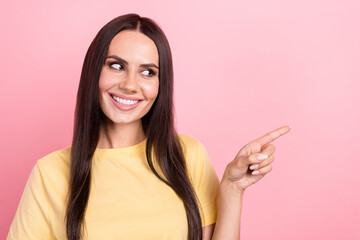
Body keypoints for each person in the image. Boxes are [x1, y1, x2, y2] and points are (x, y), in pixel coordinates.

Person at [7, 13, 291, 240]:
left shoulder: (187, 155)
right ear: (94, 71)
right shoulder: (50, 173)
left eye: (147, 72)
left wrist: (232, 188)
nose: (130, 85)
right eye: (116, 66)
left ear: (160, 85)